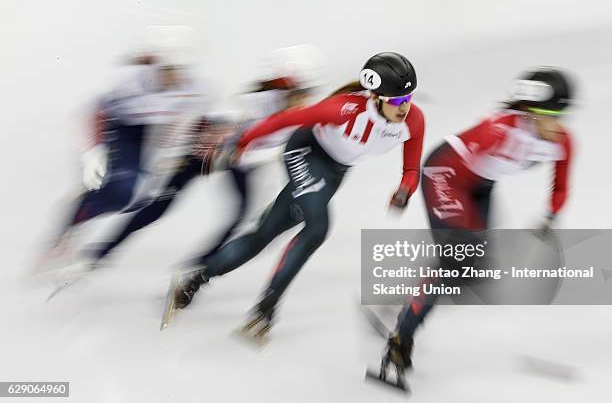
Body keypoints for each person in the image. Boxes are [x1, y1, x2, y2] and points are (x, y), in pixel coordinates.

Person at [164, 52, 426, 341]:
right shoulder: (344, 109)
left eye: (408, 98)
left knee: (264, 234)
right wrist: (242, 140)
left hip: (334, 173)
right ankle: (265, 311)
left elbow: (411, 167)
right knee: (318, 227)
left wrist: (405, 190)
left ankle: (194, 280)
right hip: (305, 153)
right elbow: (288, 119)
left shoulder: (413, 120)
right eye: (397, 101)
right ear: (375, 97)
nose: (405, 107)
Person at [373, 67, 575, 389]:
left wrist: (551, 216)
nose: (558, 124)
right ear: (530, 114)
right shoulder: (498, 131)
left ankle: (405, 301)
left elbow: (561, 187)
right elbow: (446, 157)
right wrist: (407, 187)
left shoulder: (561, 141)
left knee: (473, 268)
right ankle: (400, 340)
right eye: (549, 115)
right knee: (456, 259)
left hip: (479, 185)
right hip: (444, 174)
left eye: (562, 114)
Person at [78, 45, 327, 271]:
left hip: (240, 157)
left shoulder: (301, 112)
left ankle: (197, 268)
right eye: (299, 91)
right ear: (282, 86)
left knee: (240, 214)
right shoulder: (253, 104)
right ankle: (103, 250)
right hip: (209, 150)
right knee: (159, 206)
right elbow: (220, 134)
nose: (304, 99)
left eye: (308, 92)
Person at [38, 26, 208, 271]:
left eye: (182, 70)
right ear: (155, 66)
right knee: (123, 191)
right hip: (119, 126)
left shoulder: (194, 87)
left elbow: (179, 121)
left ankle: (83, 207)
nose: (176, 77)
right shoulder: (128, 83)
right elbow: (93, 114)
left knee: (138, 200)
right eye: (169, 70)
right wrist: (92, 152)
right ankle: (67, 230)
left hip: (147, 131)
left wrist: (166, 153)